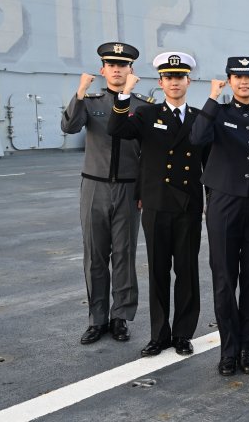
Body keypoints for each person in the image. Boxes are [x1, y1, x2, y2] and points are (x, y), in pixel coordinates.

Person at [107, 52, 204, 357]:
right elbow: (117, 129)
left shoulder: (201, 118)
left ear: (188, 81)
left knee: (186, 271)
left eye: (180, 77)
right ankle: (159, 334)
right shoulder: (147, 115)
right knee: (158, 270)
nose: (174, 82)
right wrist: (123, 94)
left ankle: (183, 334)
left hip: (188, 204)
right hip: (157, 203)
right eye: (169, 77)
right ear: (161, 82)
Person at [188, 56, 249, 376]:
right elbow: (196, 138)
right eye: (238, 76)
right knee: (224, 277)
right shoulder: (217, 113)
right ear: (228, 79)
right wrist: (212, 98)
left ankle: (247, 349)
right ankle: (228, 349)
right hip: (223, 203)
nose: (244, 81)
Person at [61, 42, 154, 345]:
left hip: (128, 188)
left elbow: (147, 153)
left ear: (131, 70)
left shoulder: (143, 105)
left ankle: (121, 317)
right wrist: (79, 92)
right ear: (103, 70)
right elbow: (69, 127)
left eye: (122, 65)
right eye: (111, 65)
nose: (116, 69)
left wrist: (143, 190)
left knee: (125, 255)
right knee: (95, 255)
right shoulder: (90, 101)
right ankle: (96, 319)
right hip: (95, 187)